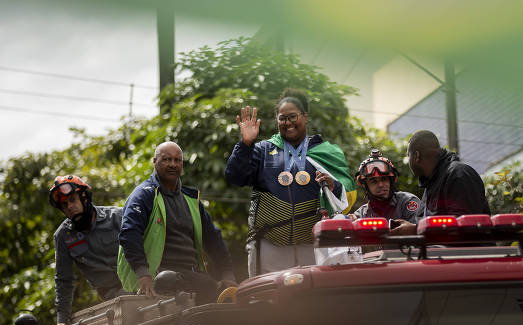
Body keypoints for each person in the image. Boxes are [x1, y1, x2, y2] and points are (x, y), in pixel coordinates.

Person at [226, 88, 356, 276]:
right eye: (282, 118)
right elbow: (235, 177)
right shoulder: (262, 150)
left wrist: (334, 185)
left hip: (313, 244)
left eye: (293, 117)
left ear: (305, 116)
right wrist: (245, 145)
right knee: (269, 301)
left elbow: (348, 190)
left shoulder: (327, 152)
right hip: (269, 244)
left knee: (312, 300)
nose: (287, 123)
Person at [117, 141, 237, 303]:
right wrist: (143, 275)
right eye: (166, 159)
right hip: (158, 278)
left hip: (189, 275)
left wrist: (227, 273)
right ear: (155, 162)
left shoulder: (191, 200)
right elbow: (129, 234)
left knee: (218, 296)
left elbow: (213, 238)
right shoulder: (143, 195)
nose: (173, 164)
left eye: (177, 160)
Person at [48, 175, 126, 325]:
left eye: (72, 200)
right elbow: (63, 280)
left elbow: (145, 248)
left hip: (141, 284)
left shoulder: (118, 216)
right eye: (64, 205)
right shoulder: (63, 236)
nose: (69, 207)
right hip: (111, 299)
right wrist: (62, 320)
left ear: (84, 198)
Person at [390, 130, 490, 235]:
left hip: (469, 251)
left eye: (408, 155)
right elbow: (428, 227)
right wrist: (412, 229)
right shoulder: (430, 187)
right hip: (436, 251)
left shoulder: (458, 174)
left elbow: (464, 227)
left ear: (417, 156)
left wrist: (414, 230)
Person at [350, 149, 419, 226]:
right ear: (365, 185)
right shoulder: (361, 214)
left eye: (384, 179)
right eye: (374, 181)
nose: (380, 185)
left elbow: (422, 231)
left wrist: (411, 228)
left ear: (391, 181)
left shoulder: (408, 202)